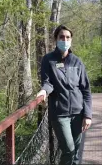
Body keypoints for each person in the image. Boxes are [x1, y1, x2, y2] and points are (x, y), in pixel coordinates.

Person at [36, 25, 92, 165]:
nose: (65, 40)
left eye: (68, 37)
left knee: (76, 151)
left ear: (71, 40)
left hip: (78, 113)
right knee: (69, 150)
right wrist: (43, 91)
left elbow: (86, 90)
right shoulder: (48, 60)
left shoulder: (77, 62)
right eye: (61, 37)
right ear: (56, 39)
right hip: (59, 114)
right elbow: (48, 83)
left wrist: (88, 115)